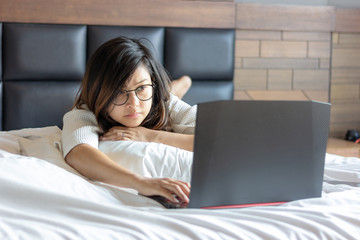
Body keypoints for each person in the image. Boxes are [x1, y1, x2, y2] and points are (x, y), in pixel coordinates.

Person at [61, 36, 196, 205]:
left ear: (152, 83)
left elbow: (218, 139)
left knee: (170, 93)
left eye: (141, 88)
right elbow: (78, 153)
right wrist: (143, 183)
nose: (134, 104)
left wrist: (149, 136)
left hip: (166, 95)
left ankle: (181, 83)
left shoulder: (164, 101)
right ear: (100, 92)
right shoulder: (84, 111)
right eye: (119, 91)